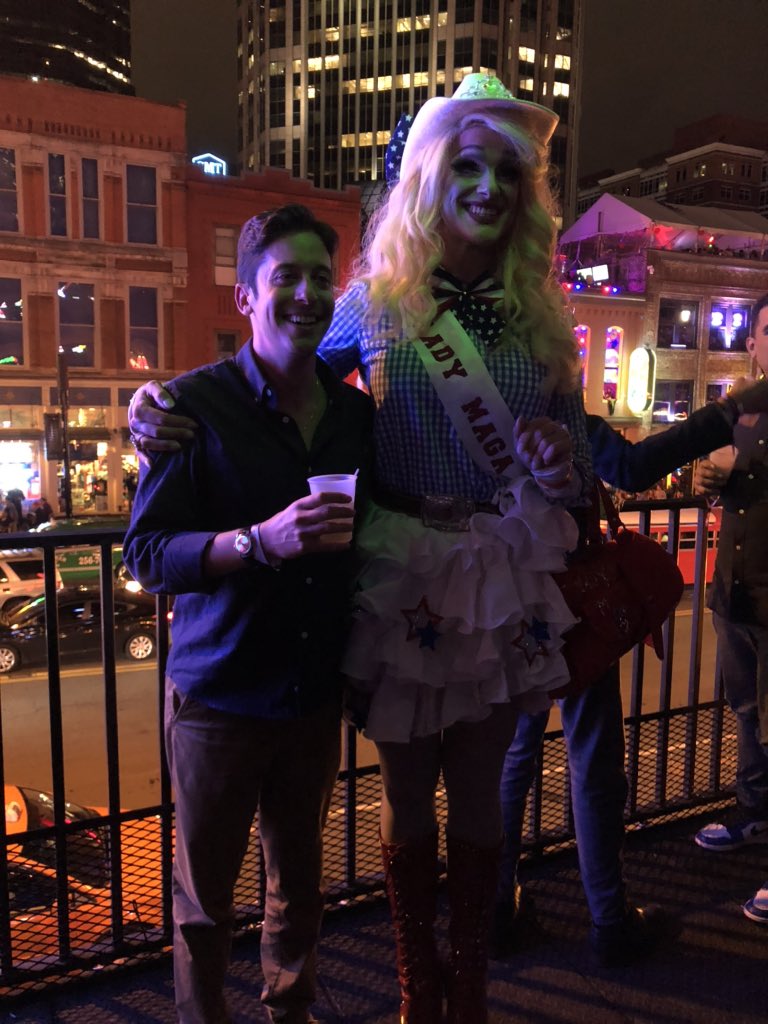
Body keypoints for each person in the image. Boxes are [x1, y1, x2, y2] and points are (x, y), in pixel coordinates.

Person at [128, 73, 592, 1024]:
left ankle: (469, 995)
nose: (489, 187)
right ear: (431, 178)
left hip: (497, 578)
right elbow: (272, 369)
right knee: (406, 799)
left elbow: (577, 464)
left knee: (481, 803)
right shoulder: (375, 305)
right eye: (468, 166)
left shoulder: (546, 320)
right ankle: (418, 994)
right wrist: (152, 409)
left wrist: (558, 458)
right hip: (399, 572)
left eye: (508, 172)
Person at [122, 204, 374, 1024]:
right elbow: (147, 554)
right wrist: (257, 542)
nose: (306, 294)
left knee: (298, 888)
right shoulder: (193, 405)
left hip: (310, 694)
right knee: (205, 906)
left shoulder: (353, 414)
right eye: (285, 277)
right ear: (246, 298)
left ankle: (290, 1012)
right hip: (219, 696)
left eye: (320, 279)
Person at [495, 380, 768, 965]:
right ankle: (609, 919)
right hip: (575, 599)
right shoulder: (554, 405)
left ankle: (493, 909)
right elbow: (631, 467)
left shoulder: (473, 404)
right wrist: (725, 412)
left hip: (500, 596)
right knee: (593, 759)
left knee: (510, 756)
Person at [691, 292, 768, 926]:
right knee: (745, 711)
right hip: (733, 592)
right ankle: (756, 815)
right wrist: (707, 484)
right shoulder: (737, 411)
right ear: (753, 343)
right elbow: (726, 493)